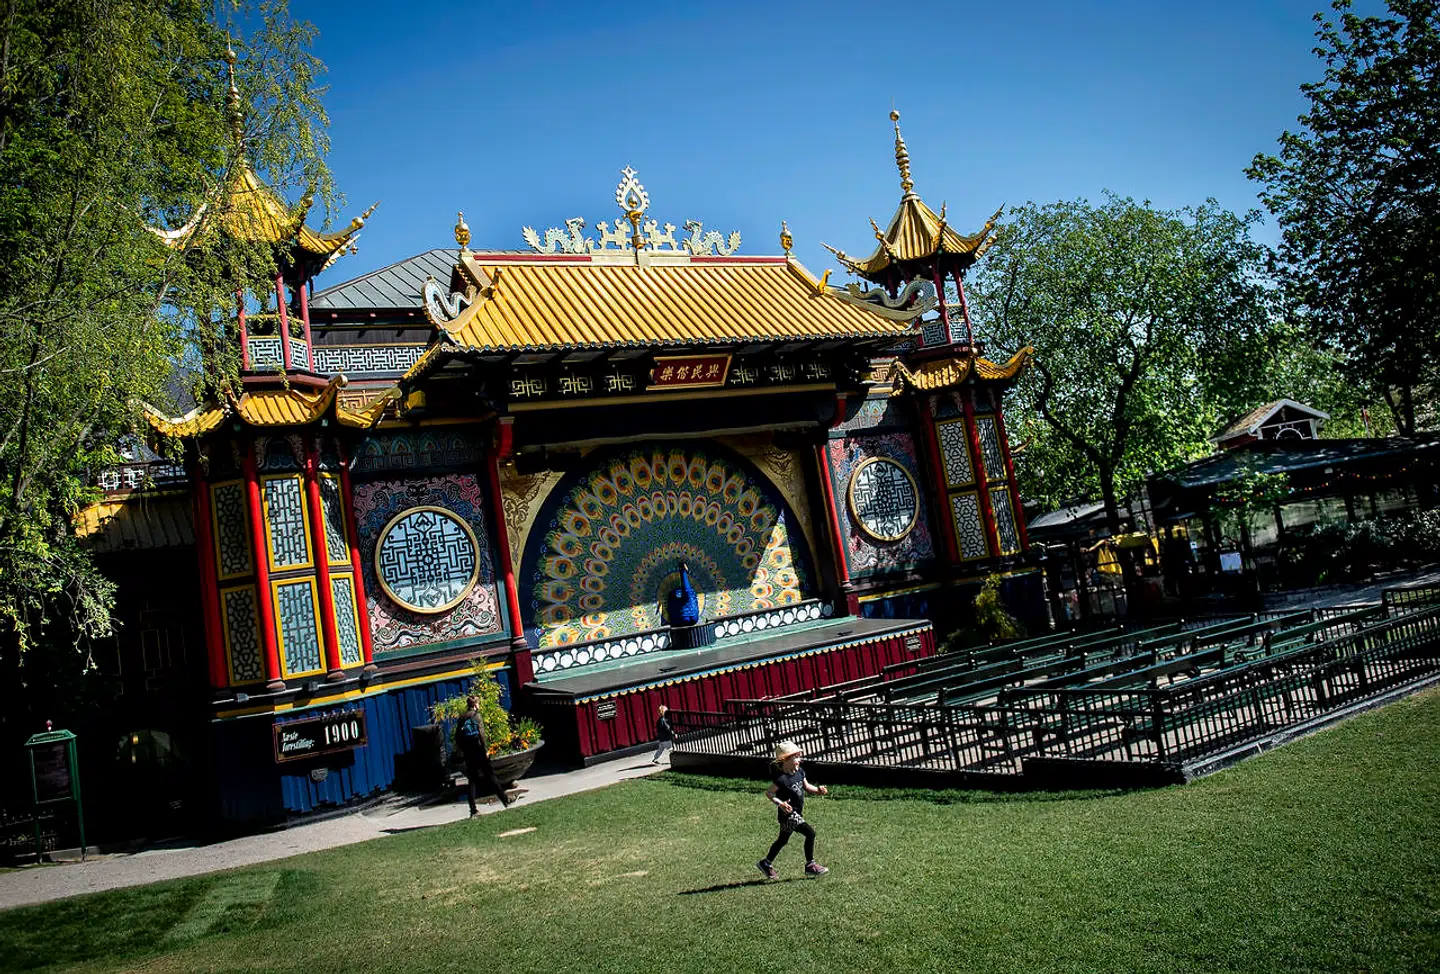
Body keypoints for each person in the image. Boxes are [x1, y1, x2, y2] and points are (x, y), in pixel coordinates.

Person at [756, 740, 829, 879]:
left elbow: (807, 787)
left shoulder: (799, 772)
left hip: (796, 812)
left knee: (782, 840)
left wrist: (818, 790)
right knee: (810, 833)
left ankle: (766, 863)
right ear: (785, 760)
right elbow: (769, 793)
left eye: (799, 756)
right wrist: (780, 803)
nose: (799, 759)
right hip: (788, 814)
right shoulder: (781, 779)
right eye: (795, 757)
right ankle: (810, 865)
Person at [454, 696, 510, 815]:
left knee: (472, 779)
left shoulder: (462, 717)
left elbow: (457, 737)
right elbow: (481, 734)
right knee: (490, 775)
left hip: (468, 752)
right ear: (475, 705)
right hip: (478, 749)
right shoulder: (476, 716)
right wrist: (485, 750)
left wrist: (462, 751)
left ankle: (473, 809)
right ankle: (504, 799)